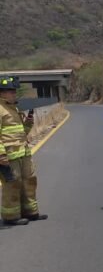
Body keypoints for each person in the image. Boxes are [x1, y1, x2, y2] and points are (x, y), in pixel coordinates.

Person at [0, 75, 48, 225]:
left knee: (29, 181)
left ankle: (31, 212)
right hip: (9, 156)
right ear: (2, 93)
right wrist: (1, 155)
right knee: (12, 185)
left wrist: (28, 124)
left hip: (23, 153)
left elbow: (21, 133)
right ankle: (11, 217)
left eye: (15, 91)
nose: (14, 94)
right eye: (11, 91)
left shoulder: (13, 108)